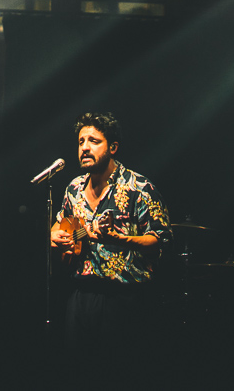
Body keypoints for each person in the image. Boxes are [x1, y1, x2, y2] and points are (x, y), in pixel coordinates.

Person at [49, 112, 171, 351]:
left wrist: (120, 239)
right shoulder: (73, 188)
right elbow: (60, 222)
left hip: (125, 299)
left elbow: (161, 239)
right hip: (80, 296)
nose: (85, 147)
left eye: (94, 141)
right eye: (81, 141)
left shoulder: (139, 187)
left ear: (113, 147)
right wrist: (53, 235)